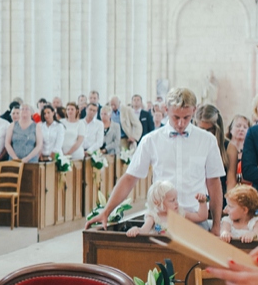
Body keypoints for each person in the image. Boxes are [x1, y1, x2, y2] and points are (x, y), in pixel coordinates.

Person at [91, 86, 225, 232]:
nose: (181, 123)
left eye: (186, 117)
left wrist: (216, 225)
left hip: (195, 220)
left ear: (194, 110)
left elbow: (214, 183)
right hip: (160, 222)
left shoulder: (207, 140)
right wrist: (106, 211)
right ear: (166, 110)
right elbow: (130, 178)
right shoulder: (151, 140)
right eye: (176, 117)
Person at [227, 114, 249, 185]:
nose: (241, 129)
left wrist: (237, 177)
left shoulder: (252, 152)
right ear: (231, 129)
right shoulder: (225, 149)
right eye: (238, 126)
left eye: (245, 127)